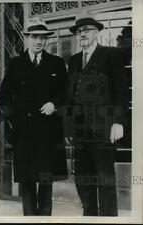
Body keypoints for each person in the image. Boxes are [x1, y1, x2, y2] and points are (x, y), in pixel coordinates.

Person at [0, 17, 68, 216]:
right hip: (24, 133)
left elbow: (65, 93)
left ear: (46, 40)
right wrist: (13, 120)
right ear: (27, 38)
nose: (39, 41)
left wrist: (54, 104)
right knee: (27, 181)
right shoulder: (15, 64)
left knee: (46, 180)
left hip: (48, 133)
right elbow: (3, 96)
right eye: (34, 37)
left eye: (43, 38)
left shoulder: (56, 63)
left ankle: (45, 218)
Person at [68, 17, 129, 216]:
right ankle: (90, 216)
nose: (82, 34)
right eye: (79, 31)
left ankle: (109, 218)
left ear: (97, 32)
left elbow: (122, 91)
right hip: (80, 130)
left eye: (87, 30)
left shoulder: (111, 55)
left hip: (104, 127)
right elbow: (71, 96)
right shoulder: (75, 60)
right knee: (83, 178)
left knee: (104, 177)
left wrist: (119, 122)